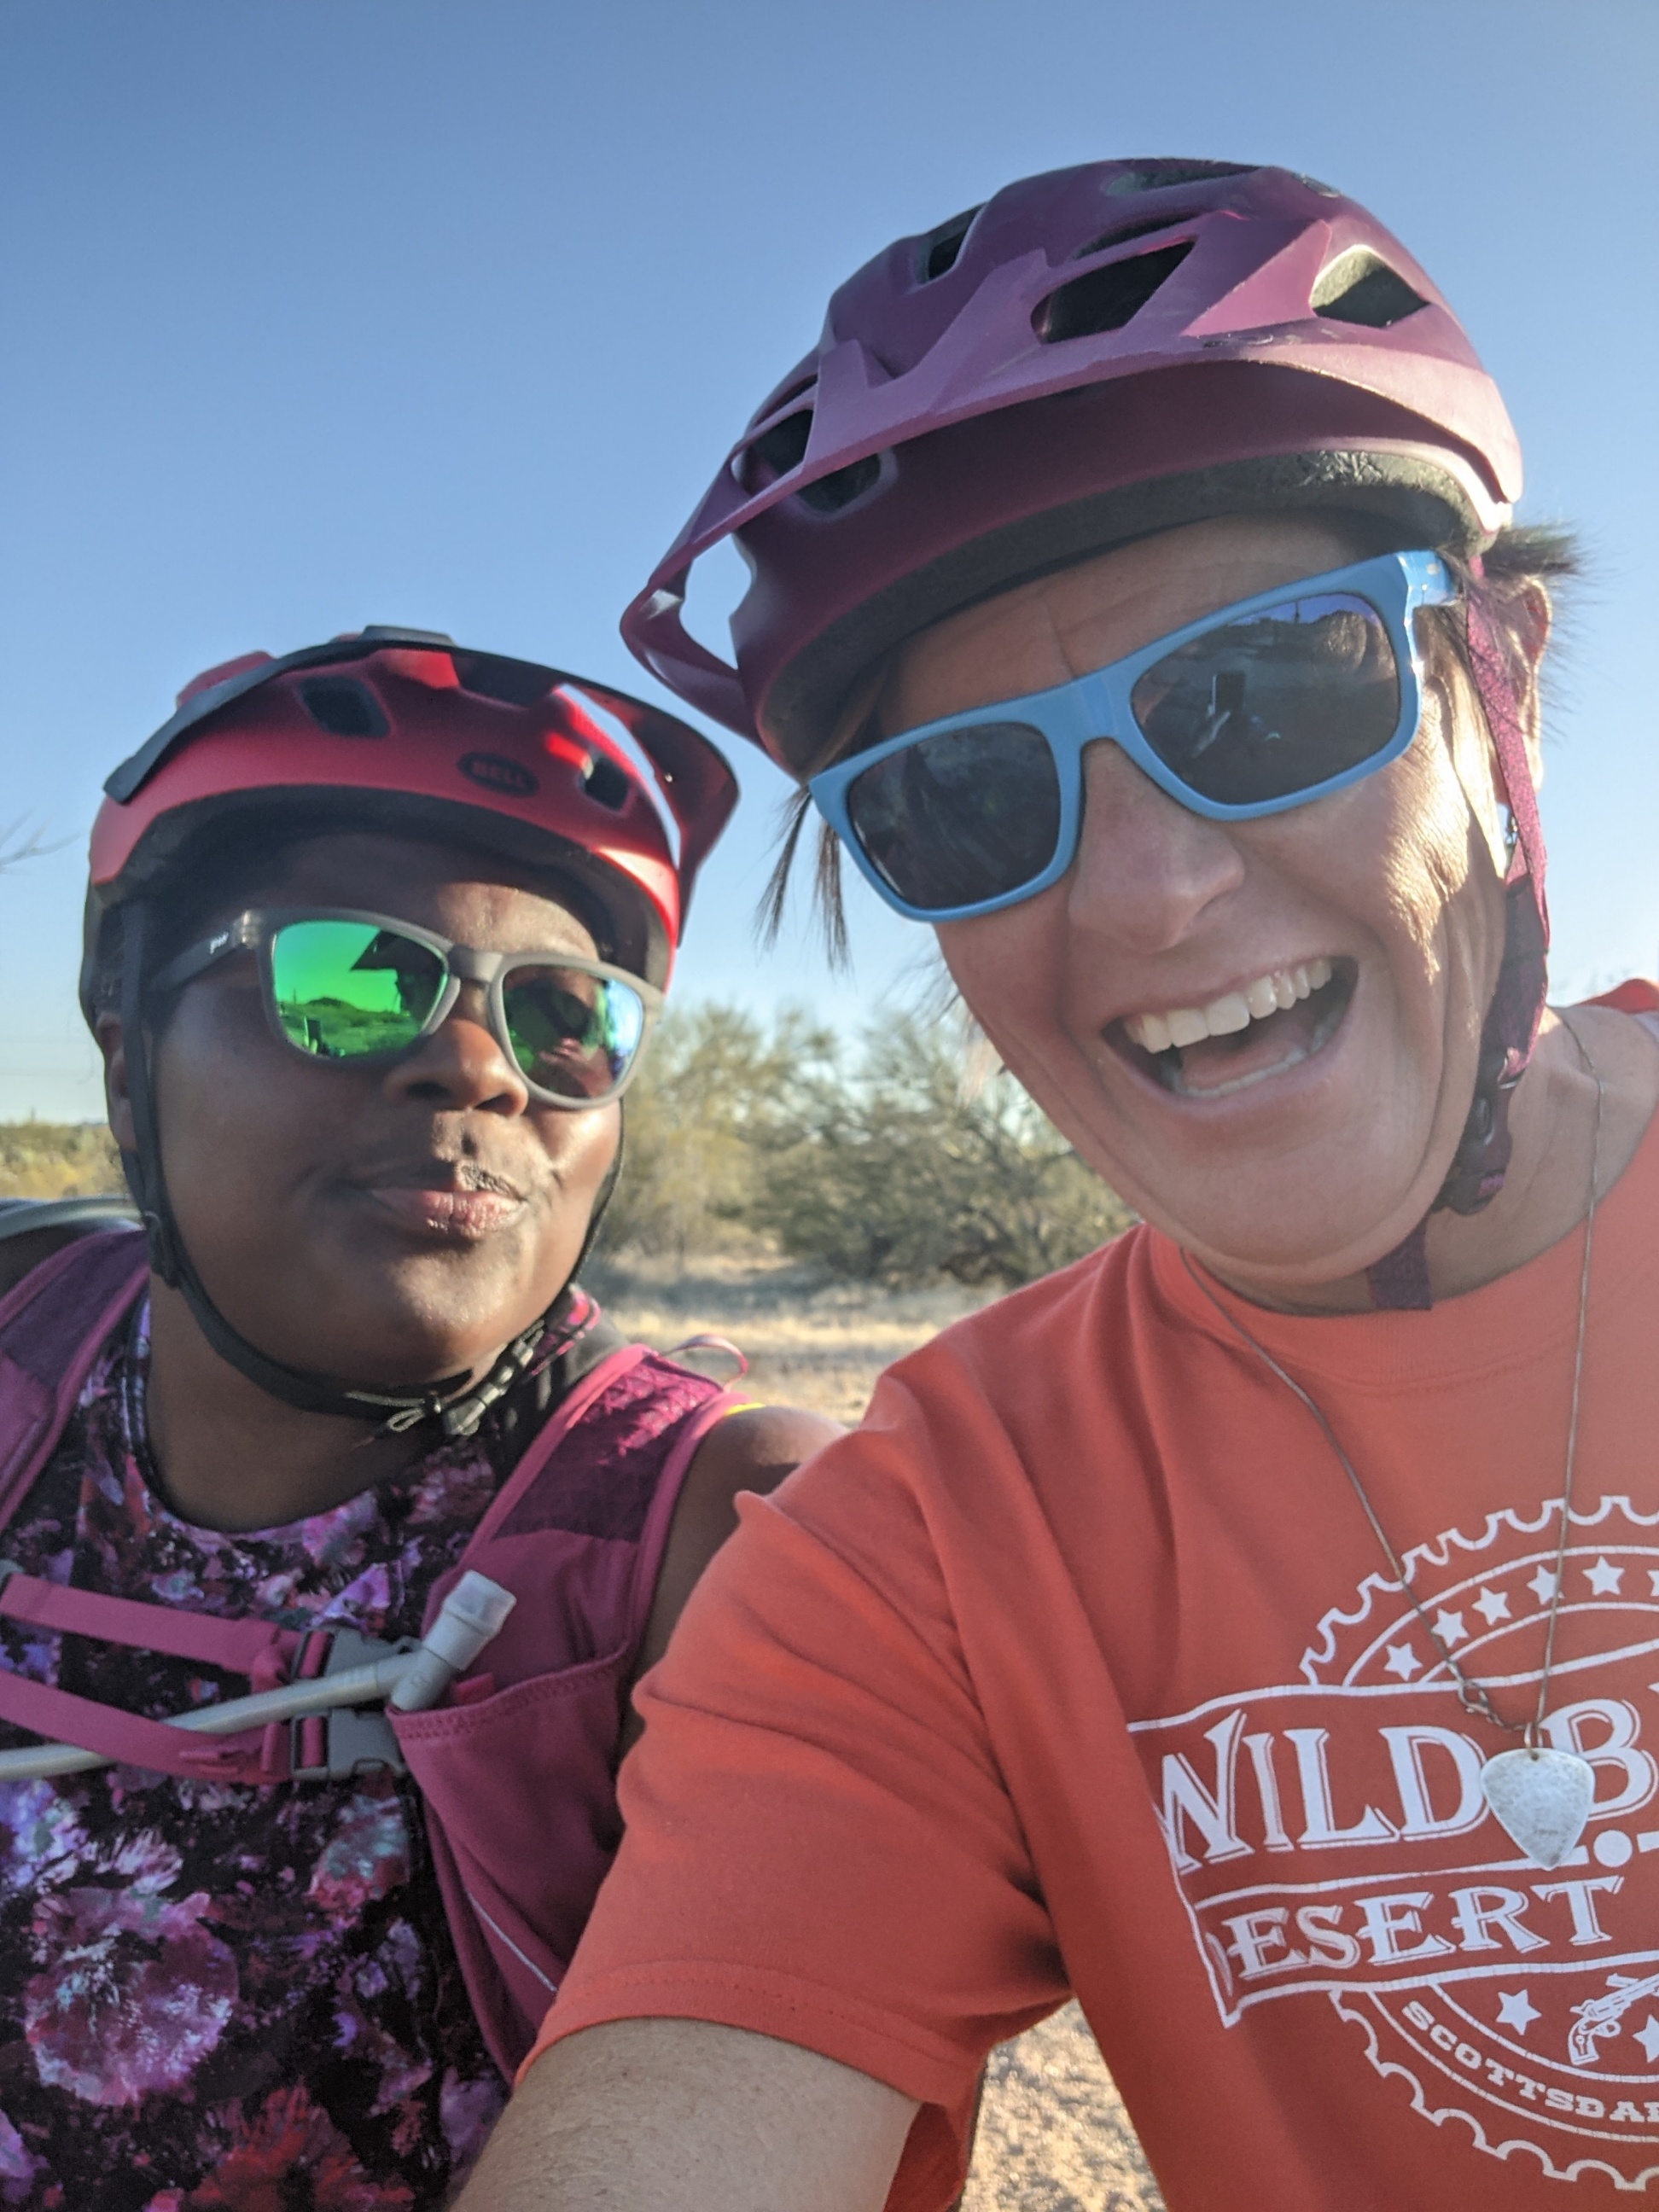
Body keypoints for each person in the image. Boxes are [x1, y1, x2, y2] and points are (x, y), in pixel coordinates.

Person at [457, 160, 1659, 2212]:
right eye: (960, 800)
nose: (1149, 892)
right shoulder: (923, 1545)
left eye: (1269, 691)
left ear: (1500, 687)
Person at [0, 629, 836, 2208]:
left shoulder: (719, 1533)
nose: (476, 1071)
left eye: (566, 1015)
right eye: (345, 977)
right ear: (131, 1067)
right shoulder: (20, 1331)